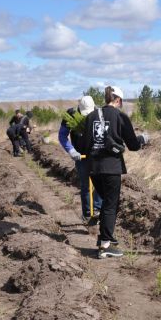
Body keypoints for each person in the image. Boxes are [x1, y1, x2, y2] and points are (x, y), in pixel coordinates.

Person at [80, 86, 148, 259]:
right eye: (121, 102)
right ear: (118, 100)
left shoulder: (91, 117)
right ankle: (105, 246)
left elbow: (82, 146)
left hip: (94, 169)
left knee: (108, 203)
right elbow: (133, 145)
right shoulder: (119, 116)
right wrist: (143, 139)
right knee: (111, 204)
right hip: (111, 168)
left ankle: (104, 237)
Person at [59, 95, 103, 225]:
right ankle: (87, 214)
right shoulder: (71, 114)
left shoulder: (100, 113)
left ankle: (97, 209)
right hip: (80, 156)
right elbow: (62, 135)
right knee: (85, 185)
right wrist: (71, 150)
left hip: (97, 155)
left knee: (100, 183)